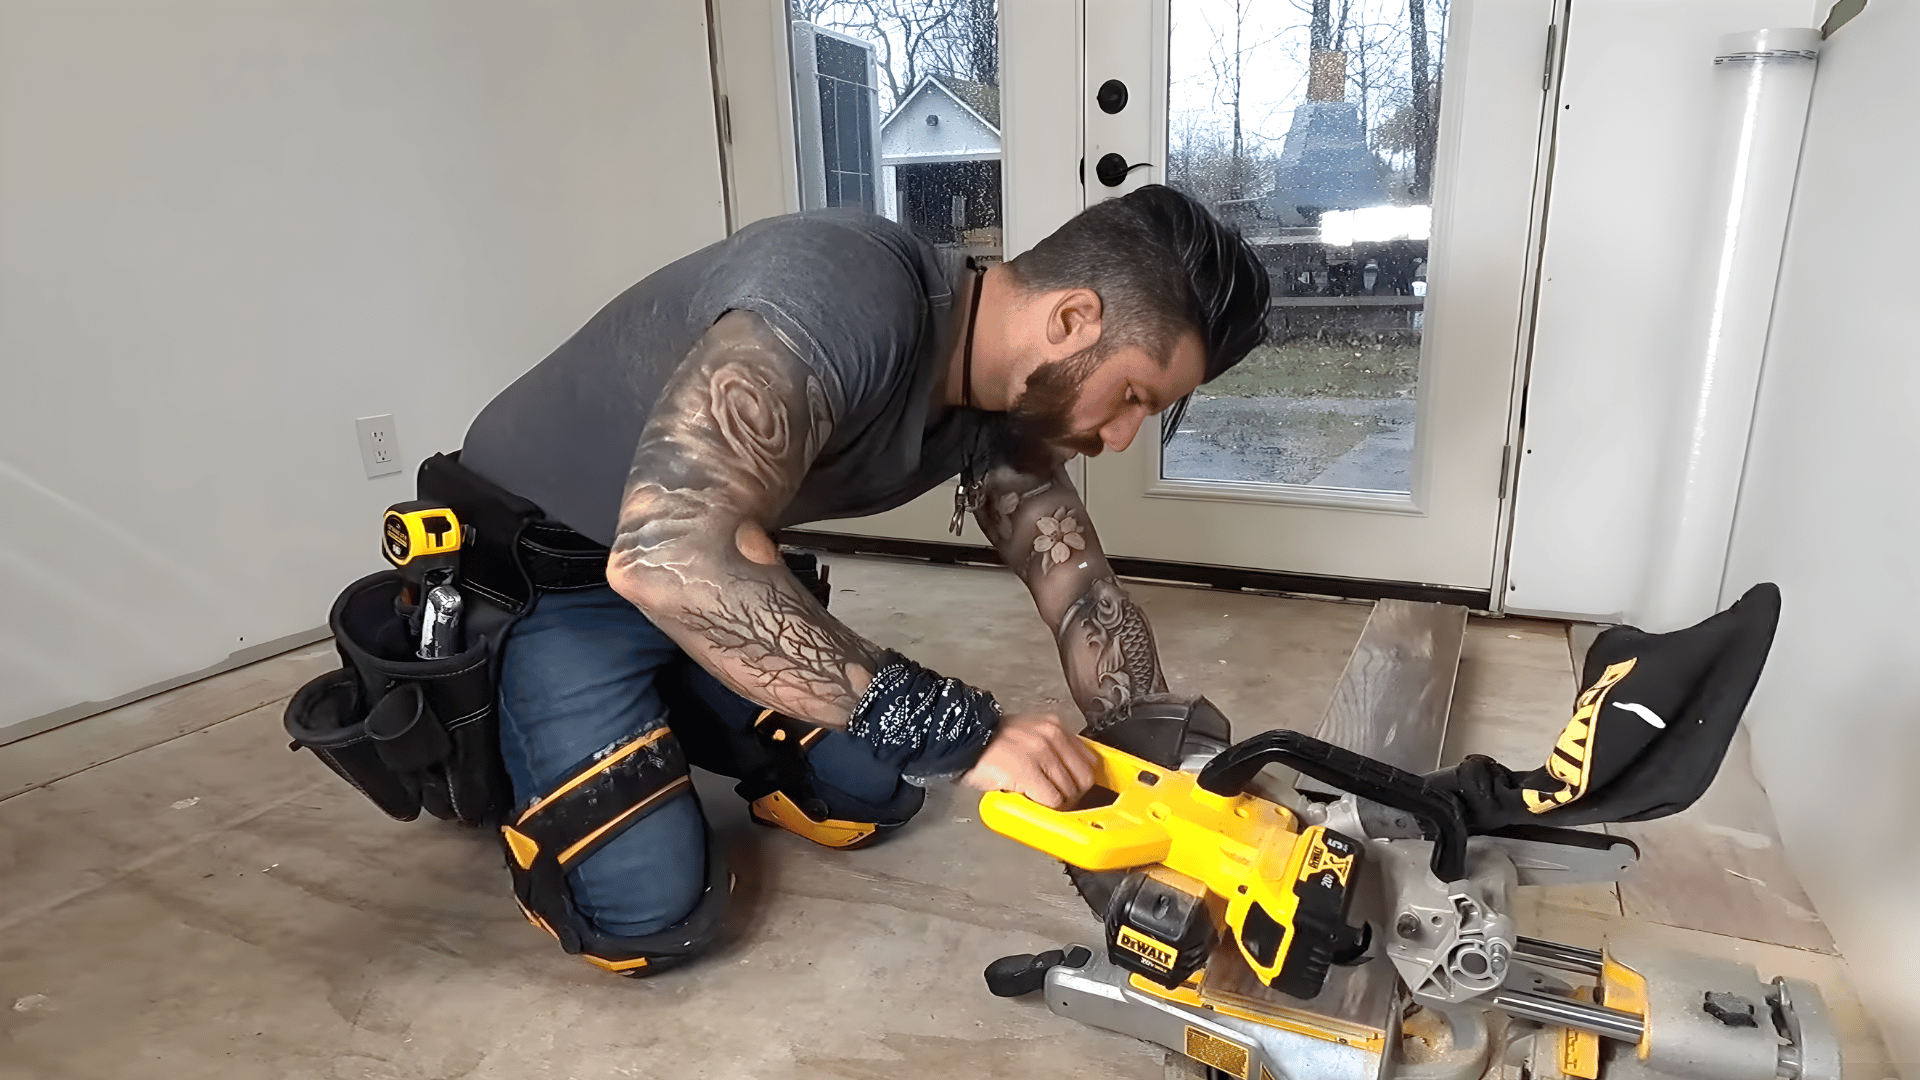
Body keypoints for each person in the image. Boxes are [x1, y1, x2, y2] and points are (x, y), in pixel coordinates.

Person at [455, 184, 1271, 976]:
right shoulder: (840, 294)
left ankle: (676, 706)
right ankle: (522, 752)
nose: (1123, 437)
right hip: (547, 573)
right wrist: (967, 731)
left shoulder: (997, 405)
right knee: (649, 912)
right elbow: (667, 554)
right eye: (1132, 396)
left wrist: (1161, 765)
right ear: (1071, 319)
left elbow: (1079, 591)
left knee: (875, 792)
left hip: (698, 579)